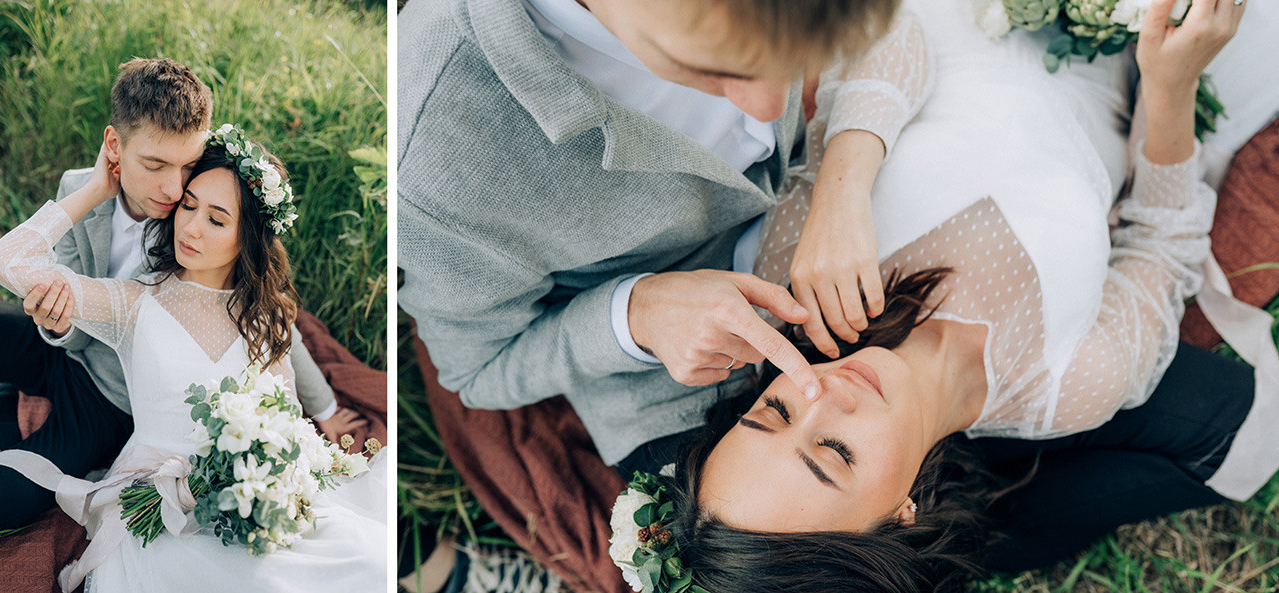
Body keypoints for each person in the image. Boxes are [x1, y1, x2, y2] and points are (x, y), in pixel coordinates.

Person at [624, 1, 1278, 591]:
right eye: (835, 453)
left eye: (775, 409)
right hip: (1125, 42)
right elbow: (1164, 238)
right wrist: (1171, 83)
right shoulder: (1072, 385)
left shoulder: (801, 278)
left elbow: (886, 30)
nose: (827, 394)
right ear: (900, 513)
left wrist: (842, 186)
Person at [398, 0, 906, 468]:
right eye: (717, 66)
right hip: (671, 376)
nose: (770, 107)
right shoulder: (436, 160)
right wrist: (636, 314)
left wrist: (841, 189)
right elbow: (478, 371)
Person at [0, 130, 387, 592]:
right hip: (161, 505)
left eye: (217, 220)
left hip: (252, 497)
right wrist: (99, 189)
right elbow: (10, 259)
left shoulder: (268, 317)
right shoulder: (135, 302)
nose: (192, 228)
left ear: (248, 239)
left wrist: (298, 458)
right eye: (189, 206)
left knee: (368, 562)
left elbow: (285, 420)